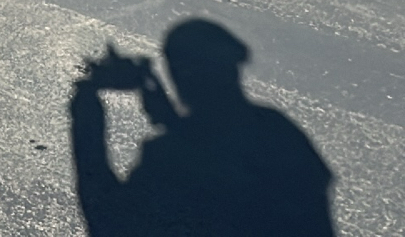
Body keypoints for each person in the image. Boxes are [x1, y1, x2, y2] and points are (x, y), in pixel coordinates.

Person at [70, 19, 335, 237]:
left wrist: (87, 103)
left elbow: (106, 220)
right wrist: (166, 113)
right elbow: (223, 149)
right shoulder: (278, 131)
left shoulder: (165, 159)